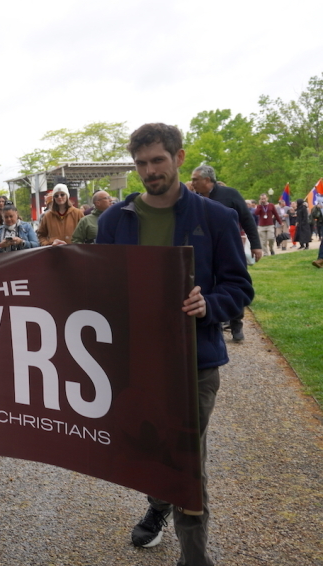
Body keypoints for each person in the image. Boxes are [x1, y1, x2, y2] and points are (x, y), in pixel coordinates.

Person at [97, 123, 253, 566]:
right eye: (141, 164)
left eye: (157, 161)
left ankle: (195, 556)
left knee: (185, 460)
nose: (150, 171)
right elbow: (101, 290)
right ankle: (160, 502)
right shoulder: (113, 221)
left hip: (194, 364)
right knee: (150, 449)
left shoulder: (215, 218)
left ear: (179, 158)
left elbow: (239, 286)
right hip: (136, 366)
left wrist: (210, 304)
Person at [189, 165, 262, 342]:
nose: (192, 183)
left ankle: (237, 324)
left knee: (232, 284)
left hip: (229, 249)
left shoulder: (230, 194)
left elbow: (247, 220)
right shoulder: (193, 199)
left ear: (207, 180)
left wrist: (256, 245)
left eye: (195, 179)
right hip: (205, 252)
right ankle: (217, 320)